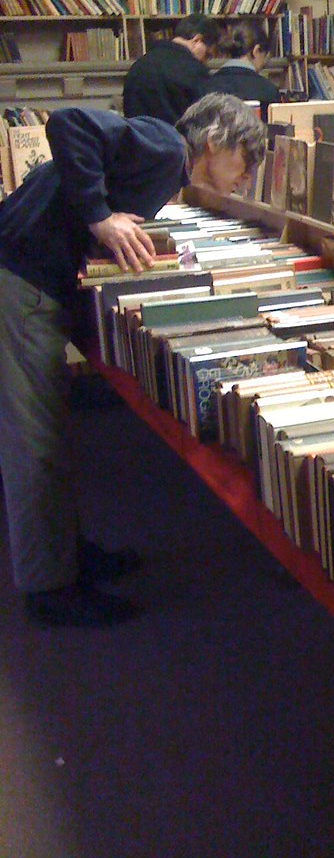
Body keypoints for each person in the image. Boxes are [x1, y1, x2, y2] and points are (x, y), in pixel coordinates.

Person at [0, 93, 264, 628]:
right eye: (245, 161)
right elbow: (71, 123)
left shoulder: (166, 163)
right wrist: (99, 218)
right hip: (19, 280)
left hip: (26, 272)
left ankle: (63, 553)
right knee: (36, 442)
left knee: (48, 432)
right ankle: (50, 588)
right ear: (214, 143)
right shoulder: (168, 149)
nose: (246, 177)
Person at [122, 13, 220, 124]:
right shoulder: (194, 71)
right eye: (207, 55)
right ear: (197, 40)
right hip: (175, 139)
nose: (205, 61)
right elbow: (203, 121)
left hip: (138, 138)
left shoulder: (138, 66)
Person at [209, 20, 281, 122]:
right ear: (256, 51)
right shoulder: (268, 90)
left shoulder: (207, 85)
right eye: (265, 56)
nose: (264, 63)